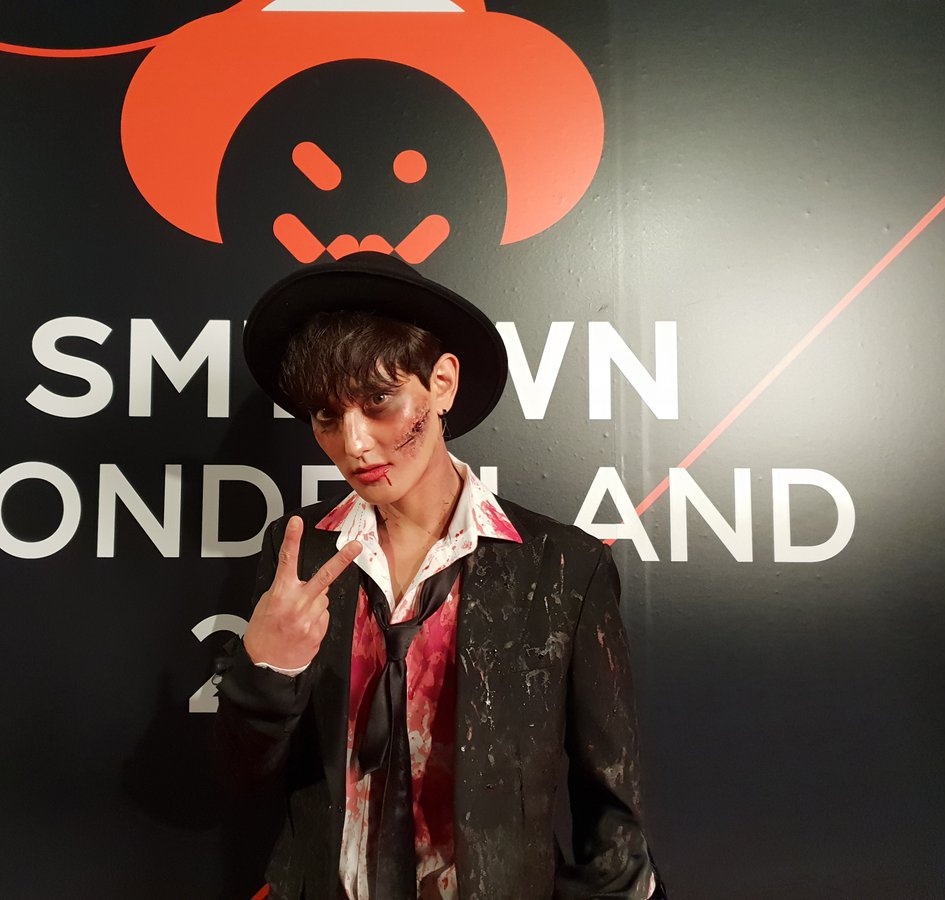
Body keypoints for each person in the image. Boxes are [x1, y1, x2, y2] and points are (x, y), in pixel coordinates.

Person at [215, 252, 661, 899]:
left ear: (442, 383)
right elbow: (240, 777)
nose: (354, 444)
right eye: (327, 416)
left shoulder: (563, 566)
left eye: (378, 400)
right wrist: (268, 671)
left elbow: (612, 814)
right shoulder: (299, 556)